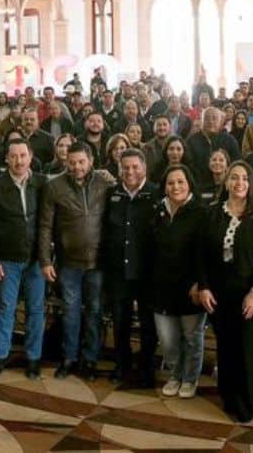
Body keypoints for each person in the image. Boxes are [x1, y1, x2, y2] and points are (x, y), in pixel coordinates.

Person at [195, 161, 253, 423]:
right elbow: (201, 254)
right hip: (219, 292)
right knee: (226, 346)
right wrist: (204, 286)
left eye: (245, 178)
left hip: (249, 292)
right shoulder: (212, 213)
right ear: (226, 181)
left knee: (246, 348)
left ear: (251, 184)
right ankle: (228, 396)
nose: (240, 183)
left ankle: (246, 402)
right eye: (234, 177)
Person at [39, 143, 112, 380]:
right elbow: (45, 226)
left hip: (97, 263)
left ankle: (90, 360)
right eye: (72, 163)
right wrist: (45, 261)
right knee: (70, 312)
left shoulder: (105, 184)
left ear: (90, 161)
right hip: (68, 263)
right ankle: (68, 358)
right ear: (66, 162)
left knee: (94, 312)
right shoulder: (54, 186)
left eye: (81, 162)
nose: (77, 167)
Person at [0, 139, 49, 379]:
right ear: (7, 159)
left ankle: (33, 359)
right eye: (14, 156)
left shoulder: (42, 183)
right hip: (7, 261)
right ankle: (0, 356)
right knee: (5, 308)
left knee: (35, 310)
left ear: (31, 157)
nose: (19, 161)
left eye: (23, 155)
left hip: (36, 261)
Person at [101, 149, 161, 388]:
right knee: (120, 321)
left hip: (147, 272)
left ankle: (146, 367)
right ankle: (122, 364)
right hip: (118, 271)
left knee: (148, 324)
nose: (130, 172)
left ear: (144, 167)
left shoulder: (156, 193)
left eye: (135, 167)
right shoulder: (112, 194)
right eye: (125, 167)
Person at [151, 164, 208, 398]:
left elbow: (206, 253)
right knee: (168, 340)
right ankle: (174, 374)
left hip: (191, 288)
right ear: (164, 186)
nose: (176, 187)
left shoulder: (201, 212)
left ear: (189, 184)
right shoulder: (157, 210)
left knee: (192, 338)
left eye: (180, 182)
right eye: (171, 183)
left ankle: (190, 378)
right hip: (162, 287)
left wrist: (201, 283)